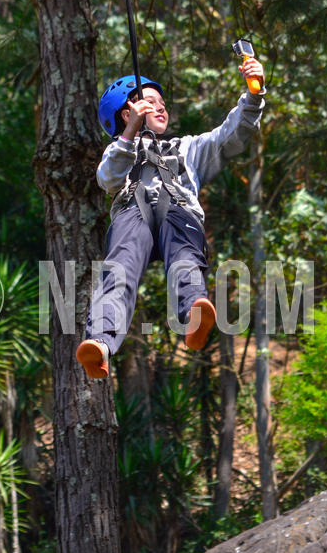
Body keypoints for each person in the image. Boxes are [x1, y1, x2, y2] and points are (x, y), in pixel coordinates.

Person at [76, 56, 266, 378]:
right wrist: (131, 133)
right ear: (128, 113)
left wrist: (253, 96)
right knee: (120, 267)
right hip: (132, 213)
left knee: (185, 254)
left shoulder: (187, 148)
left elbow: (231, 136)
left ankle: (194, 312)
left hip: (179, 211)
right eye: (151, 103)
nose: (162, 108)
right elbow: (108, 179)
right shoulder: (119, 151)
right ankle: (101, 343)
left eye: (163, 103)